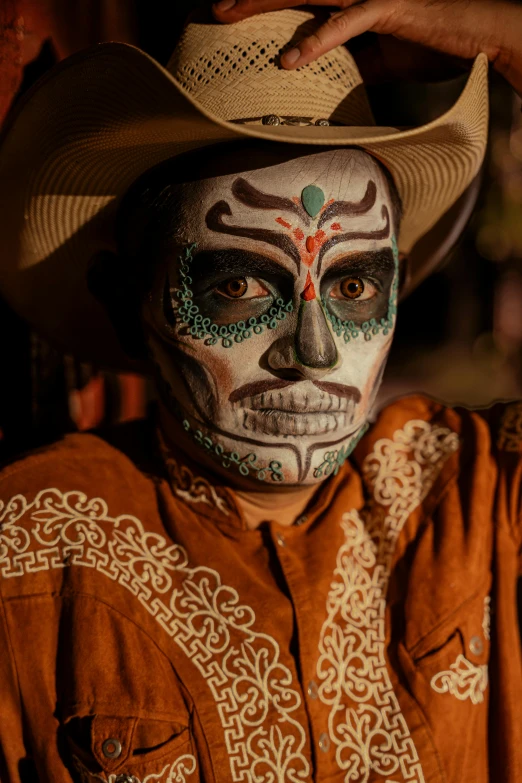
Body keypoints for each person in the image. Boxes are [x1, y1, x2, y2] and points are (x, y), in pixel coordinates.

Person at [0, 3, 520, 782]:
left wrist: (505, 38)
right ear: (125, 296)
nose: (313, 350)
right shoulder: (26, 552)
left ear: (397, 293)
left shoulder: (471, 493)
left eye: (351, 283)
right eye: (239, 284)